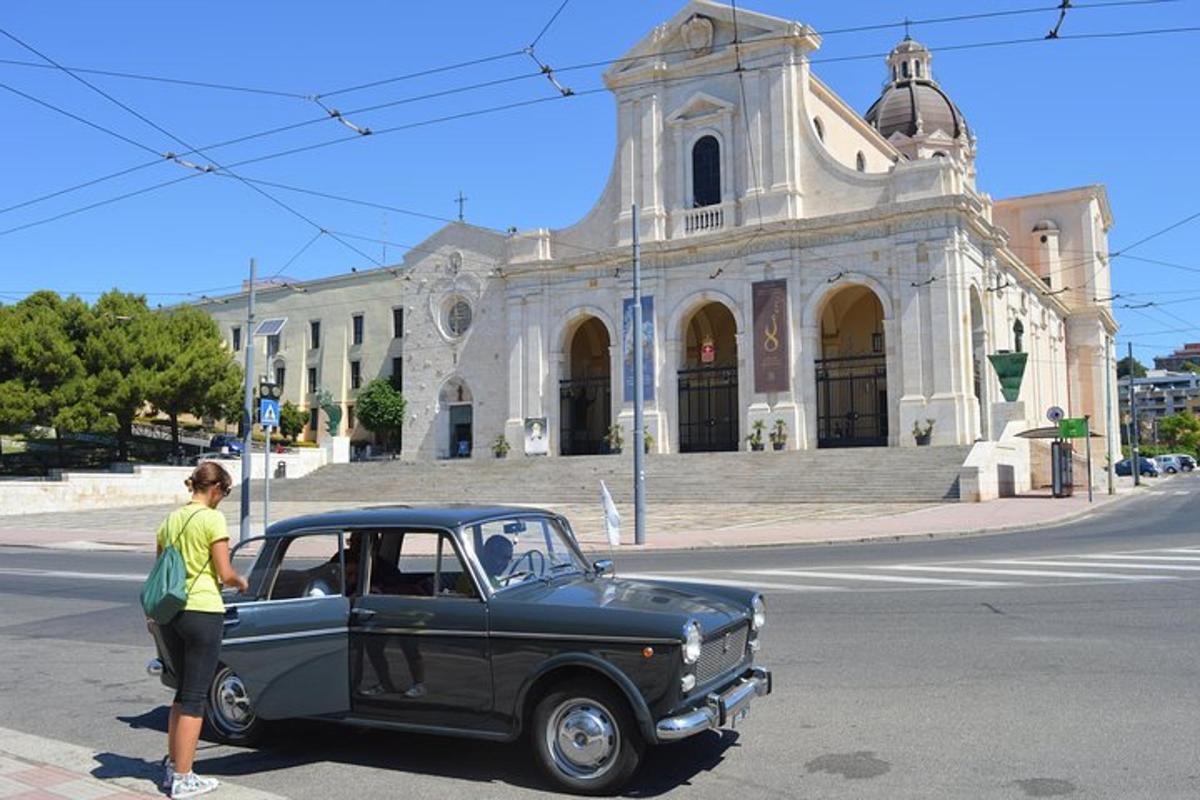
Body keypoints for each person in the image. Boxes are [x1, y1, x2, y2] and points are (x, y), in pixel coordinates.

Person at [153, 462, 248, 799]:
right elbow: (224, 572)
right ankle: (184, 777)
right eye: (226, 492)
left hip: (171, 615)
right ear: (217, 488)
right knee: (195, 698)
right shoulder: (212, 518)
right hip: (202, 612)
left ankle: (173, 766)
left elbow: (161, 570)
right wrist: (241, 581)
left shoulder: (169, 520)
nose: (224, 498)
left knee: (181, 692)